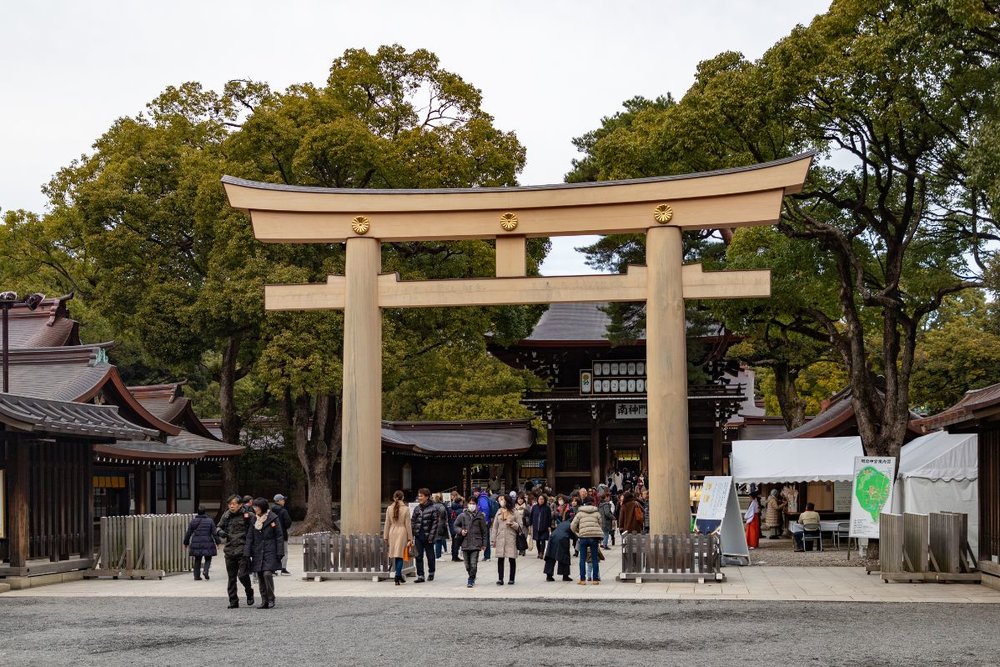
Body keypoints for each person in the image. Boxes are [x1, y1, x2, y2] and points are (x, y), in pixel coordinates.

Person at [244, 498, 284, 609]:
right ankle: (264, 600)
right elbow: (250, 537)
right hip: (258, 551)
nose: (255, 509)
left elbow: (279, 536)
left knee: (267, 574)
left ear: (263, 507)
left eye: (257, 507)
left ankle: (271, 598)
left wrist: (280, 552)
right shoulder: (254, 520)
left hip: (270, 550)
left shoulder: (273, 518)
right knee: (260, 576)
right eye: (254, 507)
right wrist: (247, 552)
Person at [216, 494, 255, 608]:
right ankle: (233, 600)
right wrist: (220, 532)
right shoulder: (226, 515)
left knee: (242, 575)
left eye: (233, 504)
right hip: (229, 550)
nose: (231, 506)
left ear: (240, 505)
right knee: (231, 578)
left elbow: (257, 527)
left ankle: (249, 591)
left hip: (243, 549)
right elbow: (218, 526)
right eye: (229, 504)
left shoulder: (248, 515)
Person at [453, 497, 489, 588]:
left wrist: (484, 544)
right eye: (470, 503)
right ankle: (471, 575)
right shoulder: (462, 515)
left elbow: (484, 531)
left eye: (473, 503)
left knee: (473, 563)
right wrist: (461, 531)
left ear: (476, 505)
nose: (471, 505)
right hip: (465, 542)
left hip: (476, 542)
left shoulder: (480, 516)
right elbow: (455, 525)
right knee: (467, 565)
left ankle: (471, 579)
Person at [570, 497, 604, 584]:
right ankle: (595, 579)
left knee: (582, 559)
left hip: (583, 537)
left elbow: (572, 526)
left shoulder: (580, 513)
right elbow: (601, 525)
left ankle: (582, 579)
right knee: (594, 559)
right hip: (594, 537)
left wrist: (578, 533)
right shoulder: (597, 513)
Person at [490, 494, 522, 585]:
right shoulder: (499, 511)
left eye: (502, 499)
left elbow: (520, 526)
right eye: (500, 500)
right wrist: (493, 539)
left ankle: (511, 578)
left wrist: (513, 524)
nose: (501, 501)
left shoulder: (514, 512)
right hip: (500, 538)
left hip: (511, 537)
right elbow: (495, 527)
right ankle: (500, 579)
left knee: (512, 559)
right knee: (500, 559)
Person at [410, 487, 440, 583]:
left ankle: (431, 572)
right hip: (418, 535)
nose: (419, 498)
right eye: (419, 496)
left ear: (427, 497)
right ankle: (420, 575)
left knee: (430, 556)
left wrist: (431, 536)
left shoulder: (433, 508)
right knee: (418, 556)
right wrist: (413, 532)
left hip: (428, 536)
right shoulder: (417, 508)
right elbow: (413, 521)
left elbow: (435, 524)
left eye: (421, 496)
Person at [384, 490, 413, 585]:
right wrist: (410, 538)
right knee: (400, 555)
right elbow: (408, 524)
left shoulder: (389, 508)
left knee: (396, 555)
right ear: (403, 498)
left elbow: (387, 523)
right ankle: (397, 575)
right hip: (402, 532)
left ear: (393, 498)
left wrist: (385, 536)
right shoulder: (406, 509)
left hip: (392, 531)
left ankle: (399, 576)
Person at [183, 507, 220, 581]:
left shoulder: (193, 521)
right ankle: (206, 570)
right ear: (205, 512)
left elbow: (188, 533)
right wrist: (218, 542)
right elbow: (214, 533)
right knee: (208, 558)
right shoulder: (210, 521)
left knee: (197, 559)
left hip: (196, 542)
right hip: (208, 541)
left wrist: (185, 542)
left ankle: (196, 576)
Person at [271, 494, 293, 575]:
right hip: (282, 534)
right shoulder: (283, 511)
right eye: (283, 500)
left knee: (273, 551)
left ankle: (273, 569)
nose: (284, 501)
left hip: (272, 535)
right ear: (279, 501)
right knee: (284, 551)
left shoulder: (270, 511)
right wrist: (284, 527)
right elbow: (288, 522)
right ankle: (283, 569)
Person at [530, 494, 552, 559]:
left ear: (544, 500)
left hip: (544, 527)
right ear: (537, 500)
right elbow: (531, 516)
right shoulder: (534, 507)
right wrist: (530, 524)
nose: (541, 500)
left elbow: (549, 517)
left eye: (542, 499)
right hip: (536, 527)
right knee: (537, 540)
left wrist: (549, 526)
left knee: (543, 540)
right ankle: (539, 552)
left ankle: (542, 553)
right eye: (540, 499)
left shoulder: (547, 507)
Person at [432, 493, 449, 559]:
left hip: (435, 524)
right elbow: (443, 514)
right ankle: (438, 556)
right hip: (440, 524)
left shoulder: (432, 506)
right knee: (438, 540)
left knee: (436, 540)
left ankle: (437, 555)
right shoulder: (441, 506)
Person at [449, 493, 465, 561]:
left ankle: (453, 556)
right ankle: (455, 556)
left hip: (452, 527)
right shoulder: (461, 511)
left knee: (453, 542)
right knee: (457, 543)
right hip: (458, 528)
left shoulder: (451, 509)